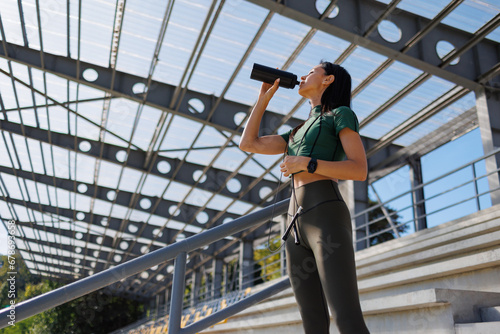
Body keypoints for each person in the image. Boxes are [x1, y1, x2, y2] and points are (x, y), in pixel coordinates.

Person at [239, 61, 370, 333]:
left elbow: (359, 169)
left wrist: (308, 164)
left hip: (326, 216)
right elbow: (248, 143)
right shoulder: (296, 131)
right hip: (293, 223)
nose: (302, 76)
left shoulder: (341, 115)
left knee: (347, 318)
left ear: (328, 80)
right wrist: (261, 100)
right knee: (312, 323)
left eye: (311, 72)